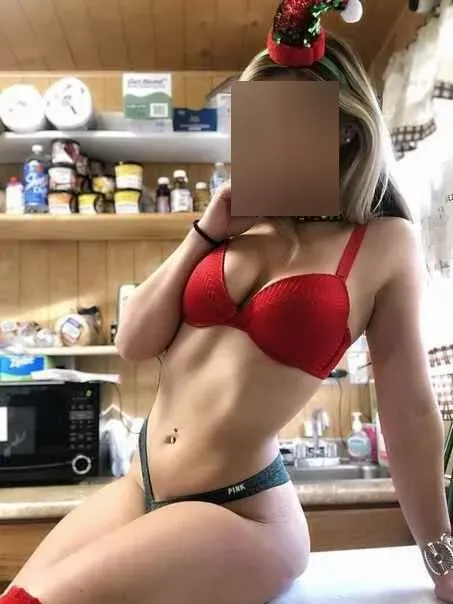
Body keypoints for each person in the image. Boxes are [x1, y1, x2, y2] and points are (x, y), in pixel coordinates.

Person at [2, 1, 453, 603]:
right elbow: (134, 341)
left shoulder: (381, 242)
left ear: (346, 128)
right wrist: (204, 232)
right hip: (141, 486)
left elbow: (410, 411)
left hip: (241, 511)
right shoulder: (235, 227)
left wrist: (442, 559)